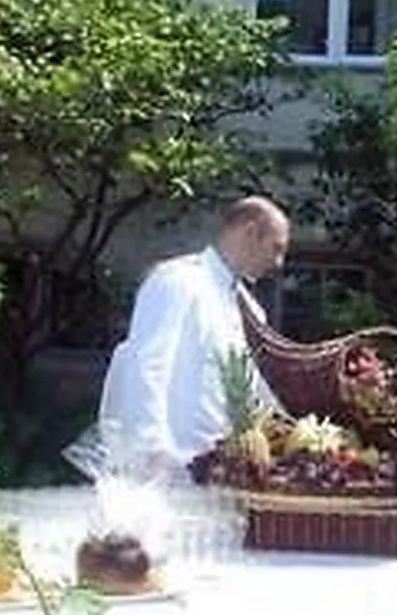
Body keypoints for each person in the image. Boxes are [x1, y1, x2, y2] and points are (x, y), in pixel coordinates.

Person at [95, 196, 290, 469]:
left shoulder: (252, 311)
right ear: (249, 232)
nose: (278, 262)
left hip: (225, 471)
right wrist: (152, 451)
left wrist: (296, 436)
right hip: (170, 466)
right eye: (276, 248)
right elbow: (147, 365)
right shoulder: (178, 281)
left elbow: (252, 390)